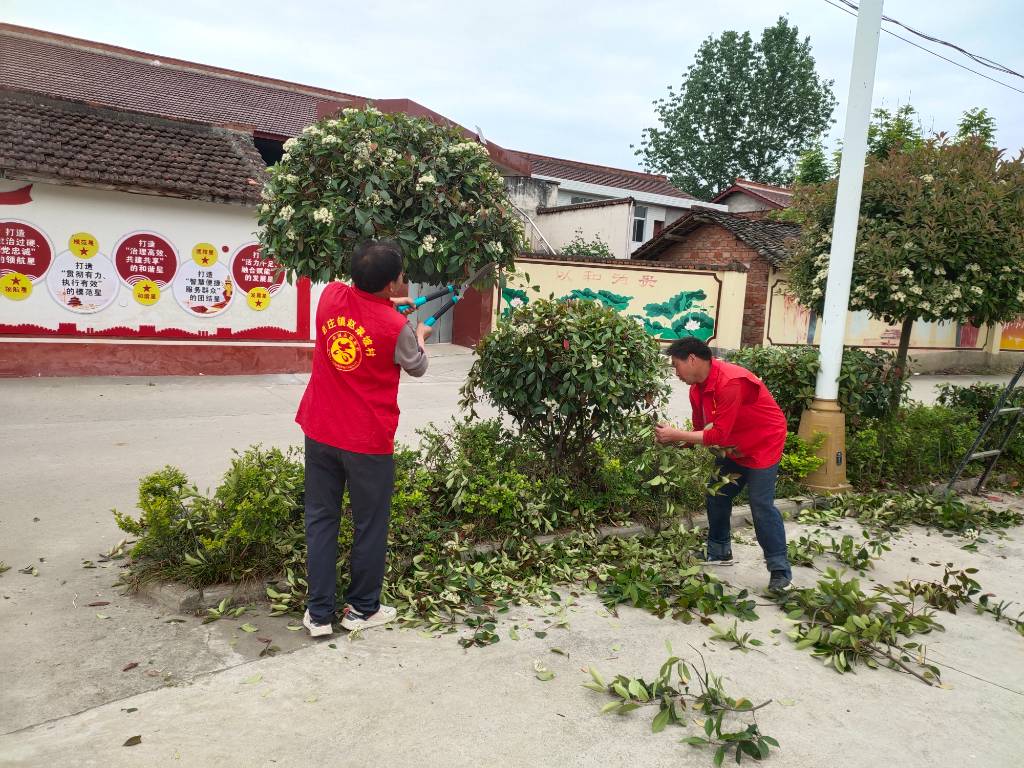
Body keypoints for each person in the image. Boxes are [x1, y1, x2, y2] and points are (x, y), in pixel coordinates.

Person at [295, 239, 433, 636]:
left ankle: (319, 615)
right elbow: (418, 366)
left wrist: (389, 308)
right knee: (369, 525)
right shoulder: (396, 328)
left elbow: (360, 303)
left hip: (320, 429)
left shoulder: (330, 296)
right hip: (367, 441)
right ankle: (361, 610)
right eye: (400, 276)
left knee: (321, 520)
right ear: (391, 285)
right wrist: (419, 332)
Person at [653, 337, 792, 591]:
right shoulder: (696, 389)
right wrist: (674, 441)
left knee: (761, 505)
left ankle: (780, 570)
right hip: (734, 447)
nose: (676, 372)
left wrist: (677, 434)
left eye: (676, 365)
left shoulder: (729, 382)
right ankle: (719, 552)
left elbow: (718, 436)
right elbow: (700, 431)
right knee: (716, 493)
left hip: (763, 443)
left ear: (692, 359)